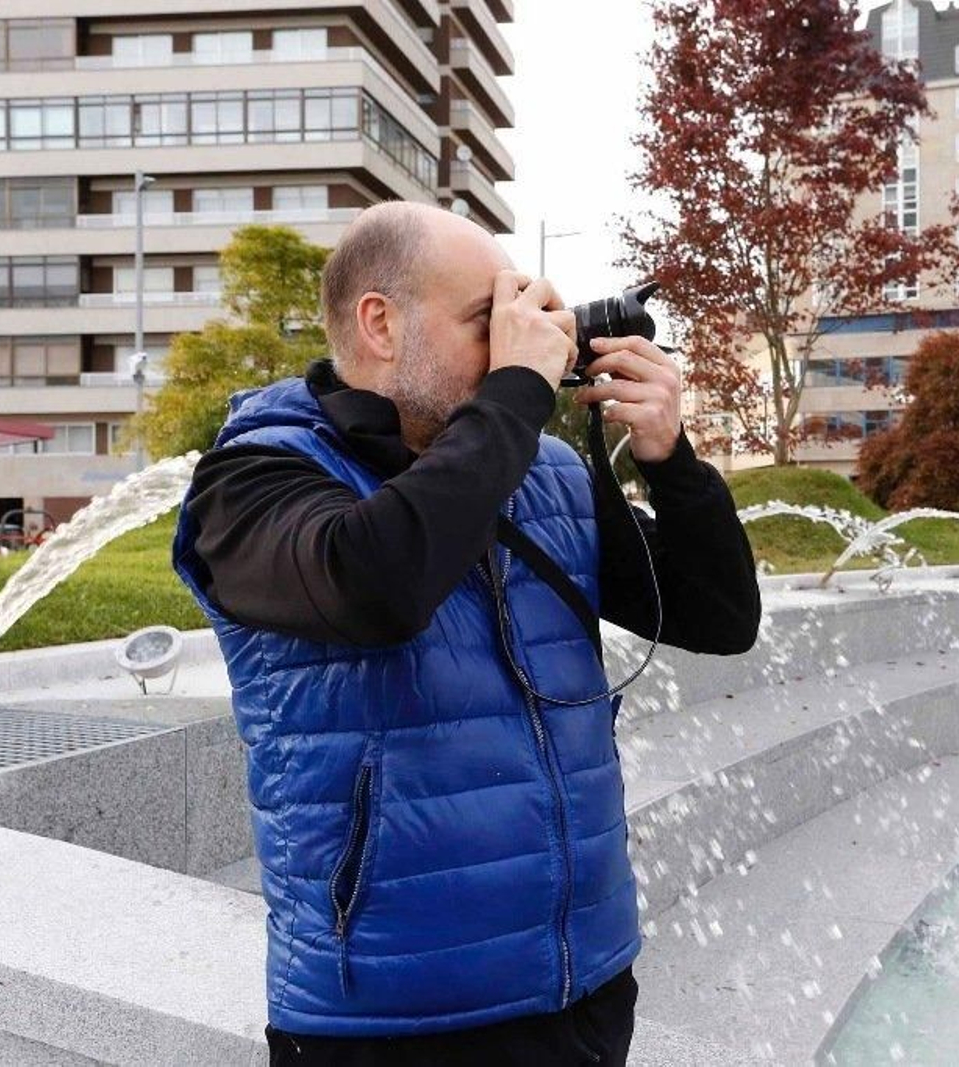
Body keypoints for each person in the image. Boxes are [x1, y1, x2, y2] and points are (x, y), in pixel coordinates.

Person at [171, 202, 762, 1065]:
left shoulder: (542, 472)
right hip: (392, 1023)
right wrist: (516, 395)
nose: (520, 348)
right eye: (490, 321)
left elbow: (719, 617)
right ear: (380, 324)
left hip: (581, 990)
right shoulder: (256, 479)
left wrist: (672, 461)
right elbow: (379, 583)